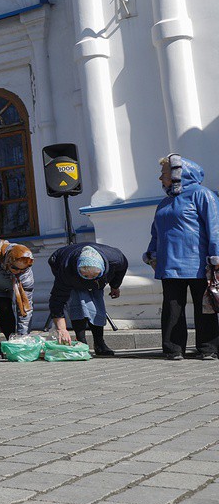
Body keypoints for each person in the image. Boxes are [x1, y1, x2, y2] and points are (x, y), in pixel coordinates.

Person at [145, 154, 219, 360]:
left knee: (205, 307)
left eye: (164, 173)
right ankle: (173, 349)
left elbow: (215, 227)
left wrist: (216, 256)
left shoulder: (203, 195)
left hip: (198, 263)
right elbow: (156, 232)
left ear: (178, 173)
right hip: (169, 263)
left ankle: (208, 349)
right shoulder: (165, 203)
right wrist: (151, 254)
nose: (161, 178)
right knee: (172, 308)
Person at [48, 243, 127, 353]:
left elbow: (122, 269)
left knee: (97, 305)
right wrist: (61, 329)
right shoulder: (67, 272)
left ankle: (99, 343)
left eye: (93, 276)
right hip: (69, 271)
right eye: (85, 276)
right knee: (79, 305)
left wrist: (115, 286)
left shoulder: (115, 259)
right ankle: (81, 342)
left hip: (97, 280)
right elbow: (57, 300)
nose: (89, 279)